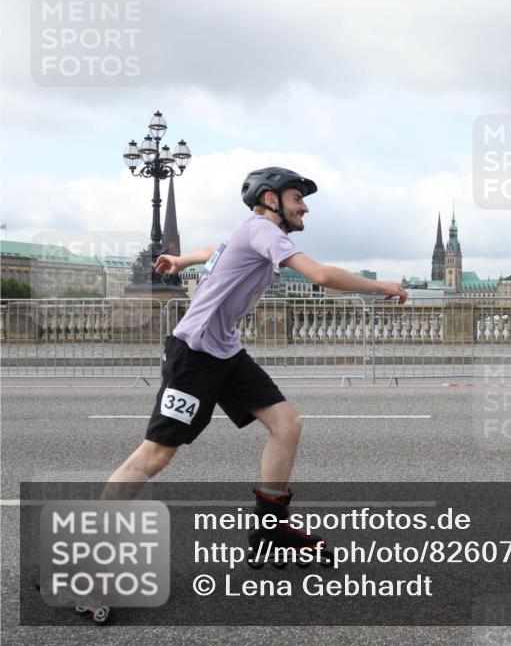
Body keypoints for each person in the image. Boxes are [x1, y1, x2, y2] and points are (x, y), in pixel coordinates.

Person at [104, 166, 407, 554]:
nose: (304, 208)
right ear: (270, 199)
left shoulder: (251, 234)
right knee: (156, 453)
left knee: (286, 424)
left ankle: (271, 528)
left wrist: (181, 261)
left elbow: (215, 251)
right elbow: (320, 275)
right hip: (194, 354)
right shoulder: (263, 230)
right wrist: (380, 285)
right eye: (297, 199)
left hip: (225, 351)